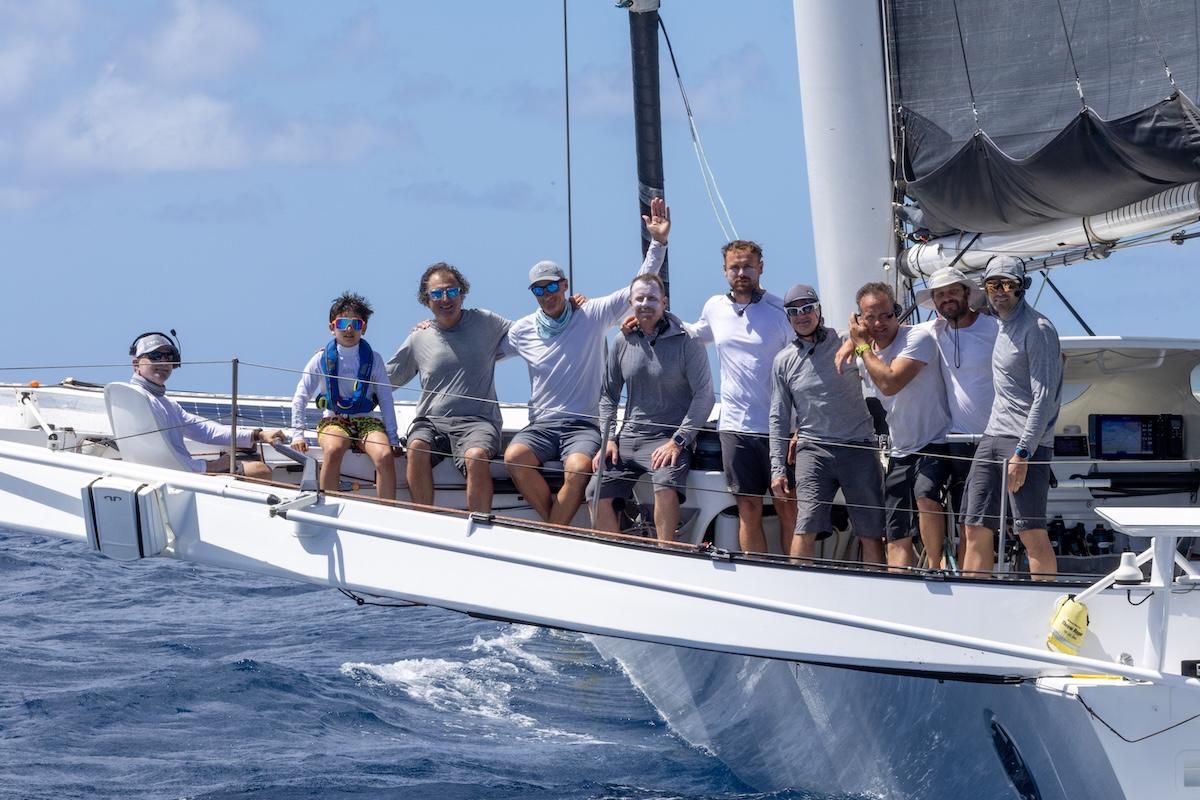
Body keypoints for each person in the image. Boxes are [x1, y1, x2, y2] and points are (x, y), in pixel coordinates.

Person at [503, 197, 670, 525]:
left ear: (565, 285)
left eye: (552, 286)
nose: (547, 294)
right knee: (514, 457)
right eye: (539, 290)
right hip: (541, 426)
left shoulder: (591, 314)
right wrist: (433, 328)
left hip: (582, 425)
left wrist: (658, 242)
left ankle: (553, 531)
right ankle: (557, 528)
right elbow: (485, 350)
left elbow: (638, 286)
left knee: (579, 468)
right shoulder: (522, 330)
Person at [689, 240, 796, 554]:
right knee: (748, 508)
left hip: (780, 428)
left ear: (760, 268)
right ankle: (758, 572)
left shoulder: (781, 310)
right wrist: (645, 318)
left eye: (748, 266)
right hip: (735, 428)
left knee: (788, 506)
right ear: (724, 271)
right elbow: (693, 334)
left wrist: (801, 426)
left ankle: (799, 573)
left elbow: (803, 365)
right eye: (734, 267)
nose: (741, 273)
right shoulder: (714, 307)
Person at [593, 273, 714, 541]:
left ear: (664, 303)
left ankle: (665, 552)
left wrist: (678, 441)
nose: (645, 304)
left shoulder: (688, 341)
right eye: (639, 299)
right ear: (630, 303)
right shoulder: (622, 341)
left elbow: (705, 397)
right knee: (596, 491)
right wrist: (608, 439)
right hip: (627, 439)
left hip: (668, 439)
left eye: (652, 298)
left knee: (665, 484)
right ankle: (615, 554)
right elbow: (608, 395)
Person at [839, 282, 951, 570]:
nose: (879, 323)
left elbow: (890, 383)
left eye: (886, 315)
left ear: (897, 312)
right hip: (900, 449)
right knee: (896, 529)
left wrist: (860, 345)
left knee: (925, 496)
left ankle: (936, 568)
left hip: (935, 441)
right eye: (870, 317)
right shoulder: (865, 355)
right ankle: (898, 580)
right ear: (859, 320)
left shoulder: (917, 338)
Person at [961, 257, 1061, 578]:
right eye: (993, 285)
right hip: (992, 437)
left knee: (1030, 531)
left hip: (1023, 444)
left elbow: (1044, 397)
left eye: (1007, 284)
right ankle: (972, 598)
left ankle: (1046, 599)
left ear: (1021, 288)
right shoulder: (1000, 324)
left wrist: (1023, 452)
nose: (1000, 291)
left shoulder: (1038, 329)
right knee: (974, 526)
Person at [769, 284, 884, 563]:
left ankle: (878, 587)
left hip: (858, 447)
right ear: (788, 318)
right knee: (805, 526)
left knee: (871, 532)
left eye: (808, 308)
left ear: (818, 310)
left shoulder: (846, 339)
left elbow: (881, 328)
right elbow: (779, 416)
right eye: (794, 311)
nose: (802, 315)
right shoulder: (783, 361)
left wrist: (854, 341)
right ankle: (800, 586)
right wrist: (777, 469)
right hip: (813, 451)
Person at [387, 263, 510, 513]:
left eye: (452, 291)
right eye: (437, 293)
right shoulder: (419, 337)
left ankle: (479, 523)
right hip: (431, 422)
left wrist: (569, 311)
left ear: (462, 294)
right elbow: (385, 378)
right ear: (426, 300)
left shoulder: (486, 322)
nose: (445, 299)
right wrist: (334, 361)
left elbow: (533, 332)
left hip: (478, 421)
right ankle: (424, 520)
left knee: (476, 456)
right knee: (416, 448)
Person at [912, 266, 998, 566]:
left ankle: (972, 580)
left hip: (992, 439)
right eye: (940, 294)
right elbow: (890, 331)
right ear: (934, 301)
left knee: (973, 520)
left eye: (952, 291)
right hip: (955, 440)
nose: (946, 298)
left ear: (966, 293)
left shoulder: (995, 328)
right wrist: (852, 342)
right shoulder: (933, 331)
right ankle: (939, 568)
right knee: (937, 501)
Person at [126, 332, 283, 477]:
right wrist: (211, 466)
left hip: (178, 473)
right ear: (136, 364)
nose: (164, 361)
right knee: (260, 471)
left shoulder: (165, 403)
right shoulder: (141, 399)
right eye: (155, 356)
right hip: (176, 477)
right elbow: (160, 458)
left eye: (169, 356)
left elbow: (206, 431)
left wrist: (257, 435)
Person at [290, 292, 399, 500]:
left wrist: (393, 437)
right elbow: (301, 396)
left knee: (385, 455)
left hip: (367, 421)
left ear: (363, 328)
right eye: (342, 323)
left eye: (356, 324)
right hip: (334, 420)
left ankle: (387, 510)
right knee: (333, 449)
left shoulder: (374, 360)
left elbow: (385, 398)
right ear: (332, 327)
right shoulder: (320, 359)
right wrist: (298, 435)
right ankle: (326, 506)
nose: (349, 329)